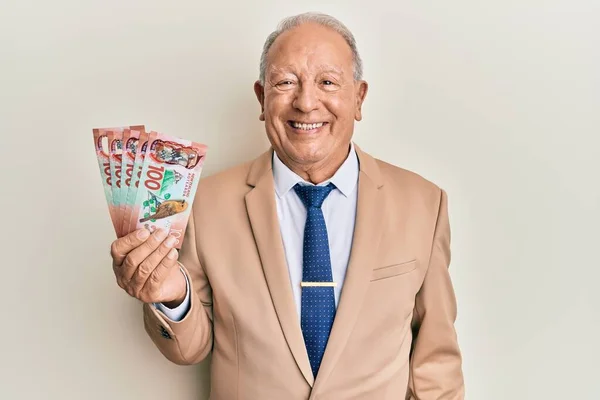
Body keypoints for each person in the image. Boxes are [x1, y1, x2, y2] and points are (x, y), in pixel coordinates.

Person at [110, 12, 465, 399]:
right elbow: (189, 348)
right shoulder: (206, 204)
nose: (306, 102)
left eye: (327, 82)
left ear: (358, 98)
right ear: (262, 98)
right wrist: (173, 296)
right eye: (286, 83)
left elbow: (436, 363)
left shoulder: (423, 204)